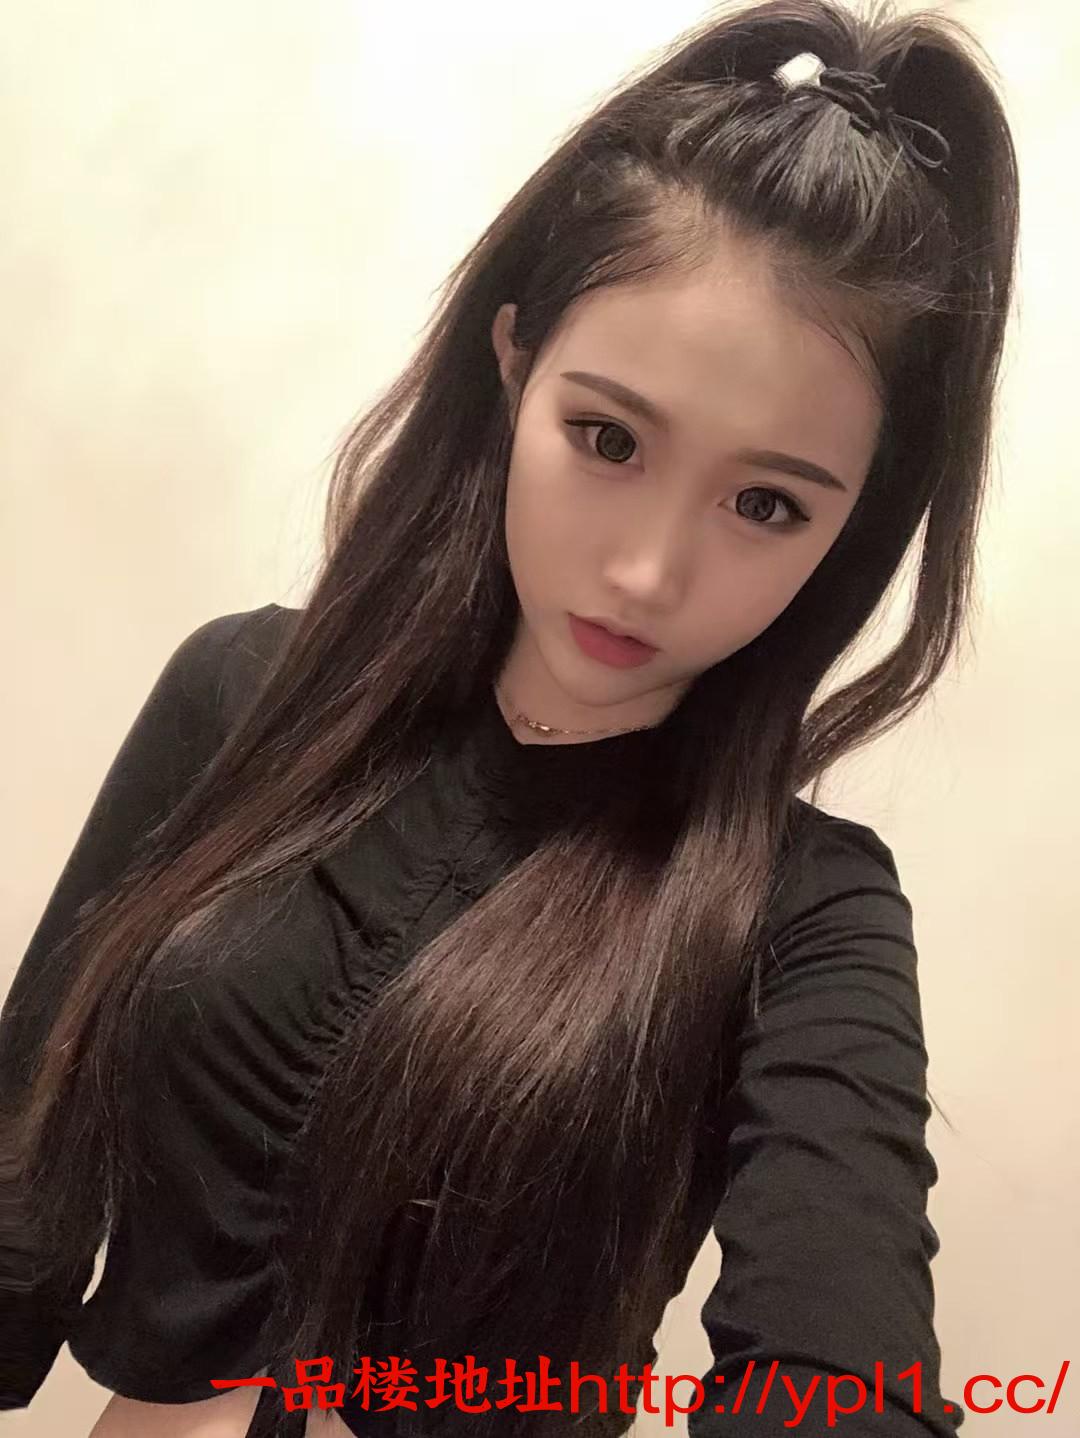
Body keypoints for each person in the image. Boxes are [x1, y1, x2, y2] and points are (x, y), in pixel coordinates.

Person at [1, 0, 1019, 1434]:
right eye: (607, 437)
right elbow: (23, 1174)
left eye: (766, 503)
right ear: (512, 360)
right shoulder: (240, 696)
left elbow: (842, 1357)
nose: (648, 571)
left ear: (850, 526)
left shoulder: (805, 913)